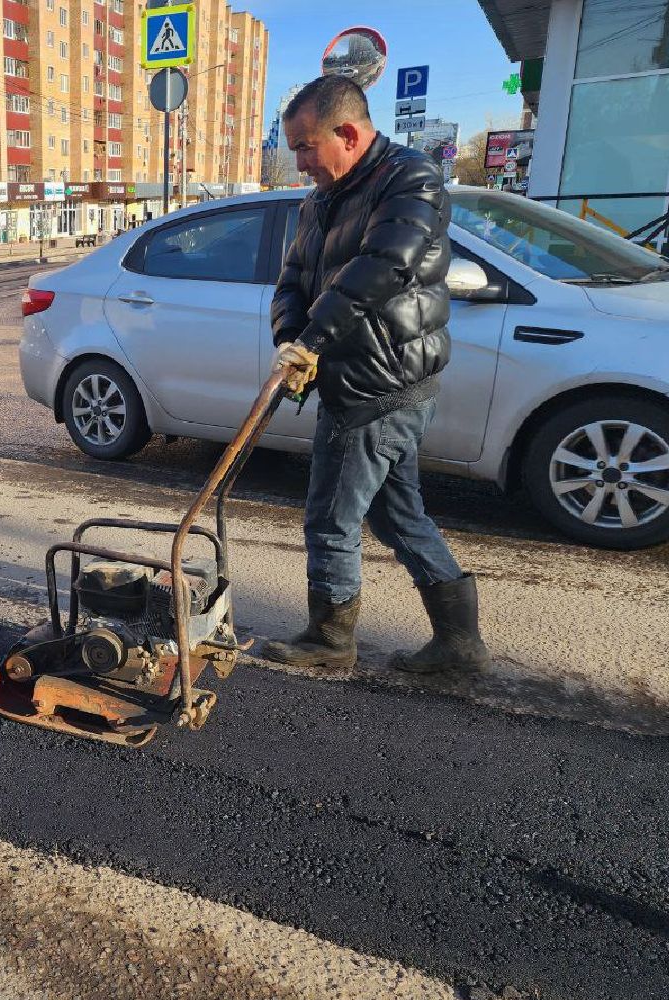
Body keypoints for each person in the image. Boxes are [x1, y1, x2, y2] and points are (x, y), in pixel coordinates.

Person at [262, 75, 491, 676]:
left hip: (379, 383)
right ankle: (460, 643)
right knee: (397, 514)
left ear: (348, 132)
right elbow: (293, 280)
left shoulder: (409, 181)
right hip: (355, 375)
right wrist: (290, 338)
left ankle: (330, 640)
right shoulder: (319, 200)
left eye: (307, 146)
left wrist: (314, 340)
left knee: (330, 517)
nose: (300, 161)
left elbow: (385, 265)